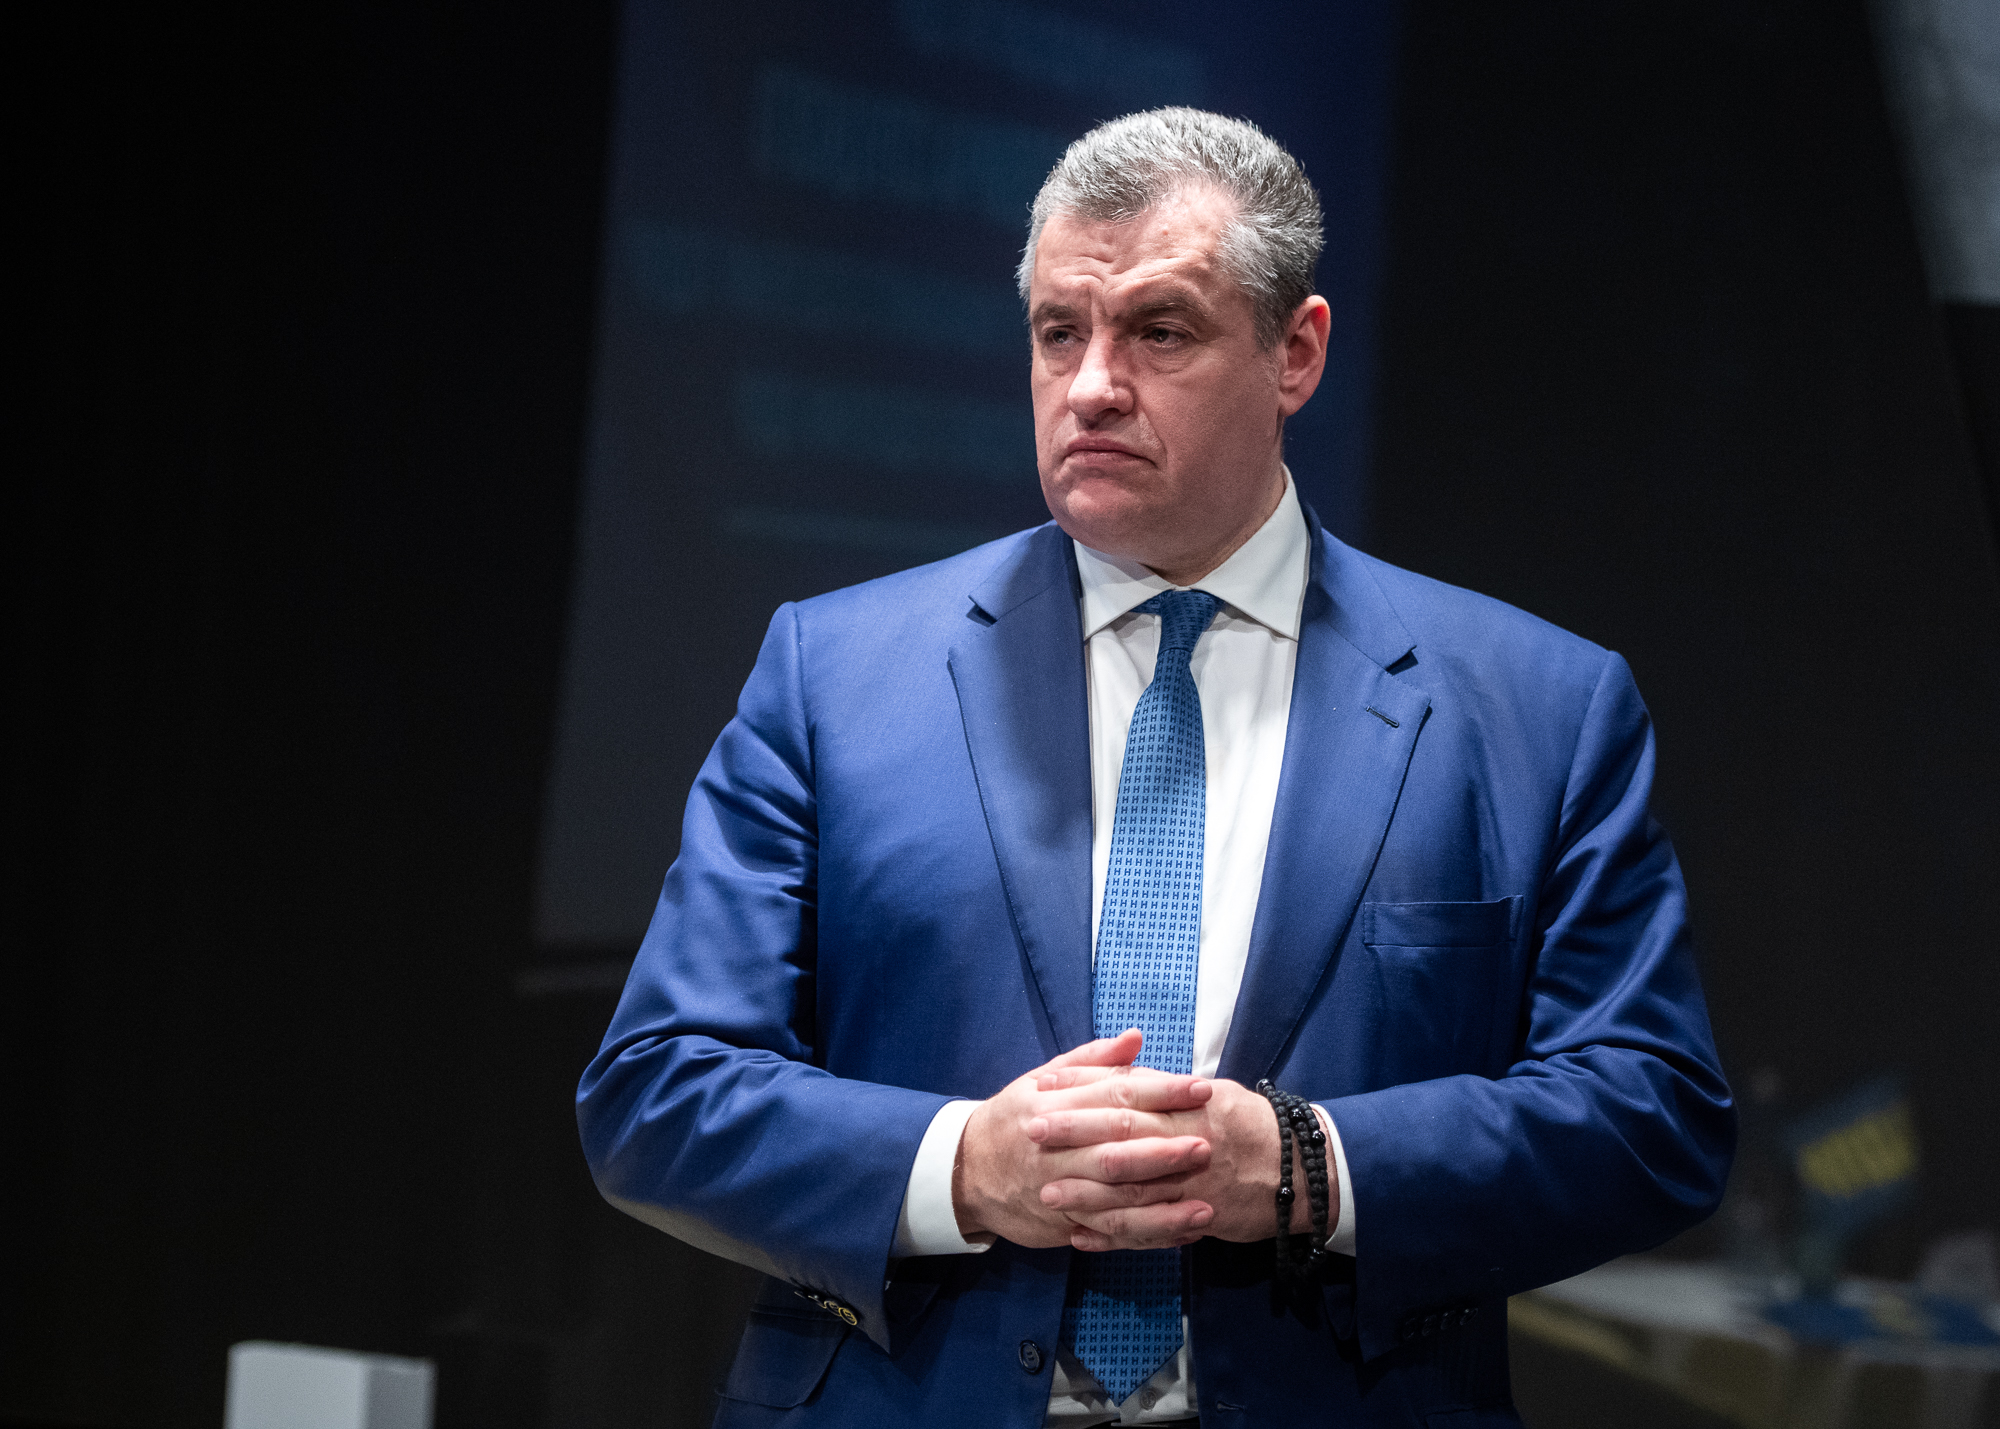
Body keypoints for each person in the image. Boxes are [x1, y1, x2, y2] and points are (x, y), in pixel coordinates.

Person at [577, 108, 1734, 1428]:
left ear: (1295, 353)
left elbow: (1651, 1113)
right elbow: (657, 1089)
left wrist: (1312, 1166)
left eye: (1160, 331)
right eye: (1057, 331)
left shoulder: (1536, 707)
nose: (1090, 386)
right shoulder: (831, 674)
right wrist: (963, 1166)